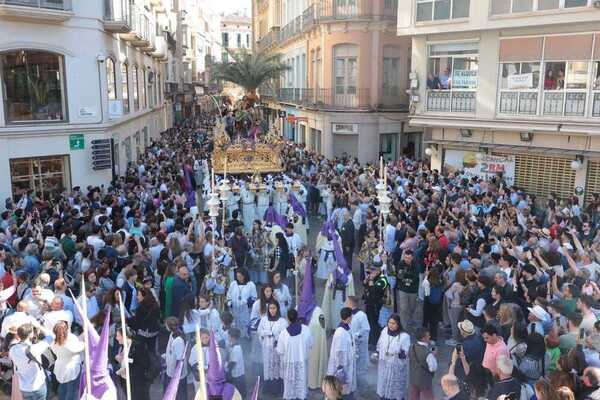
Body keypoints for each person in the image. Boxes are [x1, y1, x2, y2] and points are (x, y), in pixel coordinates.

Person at [297, 255, 328, 390]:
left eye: (306, 301)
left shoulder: (319, 312)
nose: (303, 303)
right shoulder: (297, 309)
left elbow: (322, 333)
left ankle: (314, 381)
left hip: (314, 348)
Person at [9, 323, 53, 400]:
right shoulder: (35, 349)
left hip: (24, 387)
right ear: (30, 335)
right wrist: (39, 326)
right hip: (38, 385)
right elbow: (52, 336)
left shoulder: (12, 350)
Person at [277, 309, 313, 400]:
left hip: (289, 364)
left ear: (288, 319)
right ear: (297, 317)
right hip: (301, 363)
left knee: (290, 386)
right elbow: (311, 344)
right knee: (301, 384)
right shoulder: (306, 329)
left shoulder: (283, 334)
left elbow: (280, 351)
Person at [376, 314, 410, 400]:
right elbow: (379, 344)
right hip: (384, 364)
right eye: (389, 322)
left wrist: (398, 353)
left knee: (395, 392)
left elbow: (405, 353)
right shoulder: (384, 331)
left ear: (398, 324)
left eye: (393, 323)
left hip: (396, 367)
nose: (391, 325)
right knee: (383, 387)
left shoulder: (404, 336)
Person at [257, 300, 287, 394]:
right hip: (266, 348)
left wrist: (277, 339)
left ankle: (276, 390)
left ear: (277, 308)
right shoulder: (264, 319)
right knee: (267, 368)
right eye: (270, 308)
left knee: (276, 368)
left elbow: (284, 334)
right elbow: (259, 331)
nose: (272, 310)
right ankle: (267, 389)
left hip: (276, 348)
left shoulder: (282, 321)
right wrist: (268, 333)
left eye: (274, 308)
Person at [327, 307, 357, 399]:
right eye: (351, 317)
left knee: (347, 388)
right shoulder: (340, 333)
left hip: (348, 363)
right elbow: (340, 352)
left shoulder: (347, 328)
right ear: (348, 318)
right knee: (341, 389)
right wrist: (341, 369)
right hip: (342, 366)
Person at [51, 321, 84, 400]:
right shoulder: (70, 343)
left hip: (60, 368)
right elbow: (81, 346)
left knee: (62, 388)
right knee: (71, 391)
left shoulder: (53, 342)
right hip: (71, 369)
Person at [226, 268, 257, 338]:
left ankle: (246, 335)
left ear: (244, 276)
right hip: (235, 308)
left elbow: (254, 297)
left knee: (245, 323)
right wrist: (230, 302)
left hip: (245, 310)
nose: (238, 278)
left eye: (240, 276)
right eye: (237, 276)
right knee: (235, 322)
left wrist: (247, 302)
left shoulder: (251, 285)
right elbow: (229, 294)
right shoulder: (233, 284)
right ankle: (236, 336)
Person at [408, 327, 437, 400]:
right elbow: (433, 368)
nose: (430, 337)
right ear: (423, 338)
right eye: (428, 336)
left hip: (414, 378)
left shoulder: (412, 346)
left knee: (414, 397)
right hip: (425, 381)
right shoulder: (428, 354)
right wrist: (433, 356)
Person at [346, 296, 369, 381]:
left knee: (358, 369)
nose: (346, 303)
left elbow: (365, 330)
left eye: (347, 302)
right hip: (349, 344)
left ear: (351, 303)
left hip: (358, 346)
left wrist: (355, 336)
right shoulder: (348, 314)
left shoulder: (362, 315)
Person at [163, 316, 187, 400]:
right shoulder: (172, 334)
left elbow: (179, 359)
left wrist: (176, 375)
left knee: (178, 395)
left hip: (176, 375)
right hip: (171, 370)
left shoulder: (178, 341)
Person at [226, 327, 245, 398]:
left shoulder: (236, 348)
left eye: (228, 336)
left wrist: (227, 371)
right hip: (237, 373)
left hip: (237, 374)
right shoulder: (233, 346)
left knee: (238, 390)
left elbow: (233, 363)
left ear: (232, 337)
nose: (228, 337)